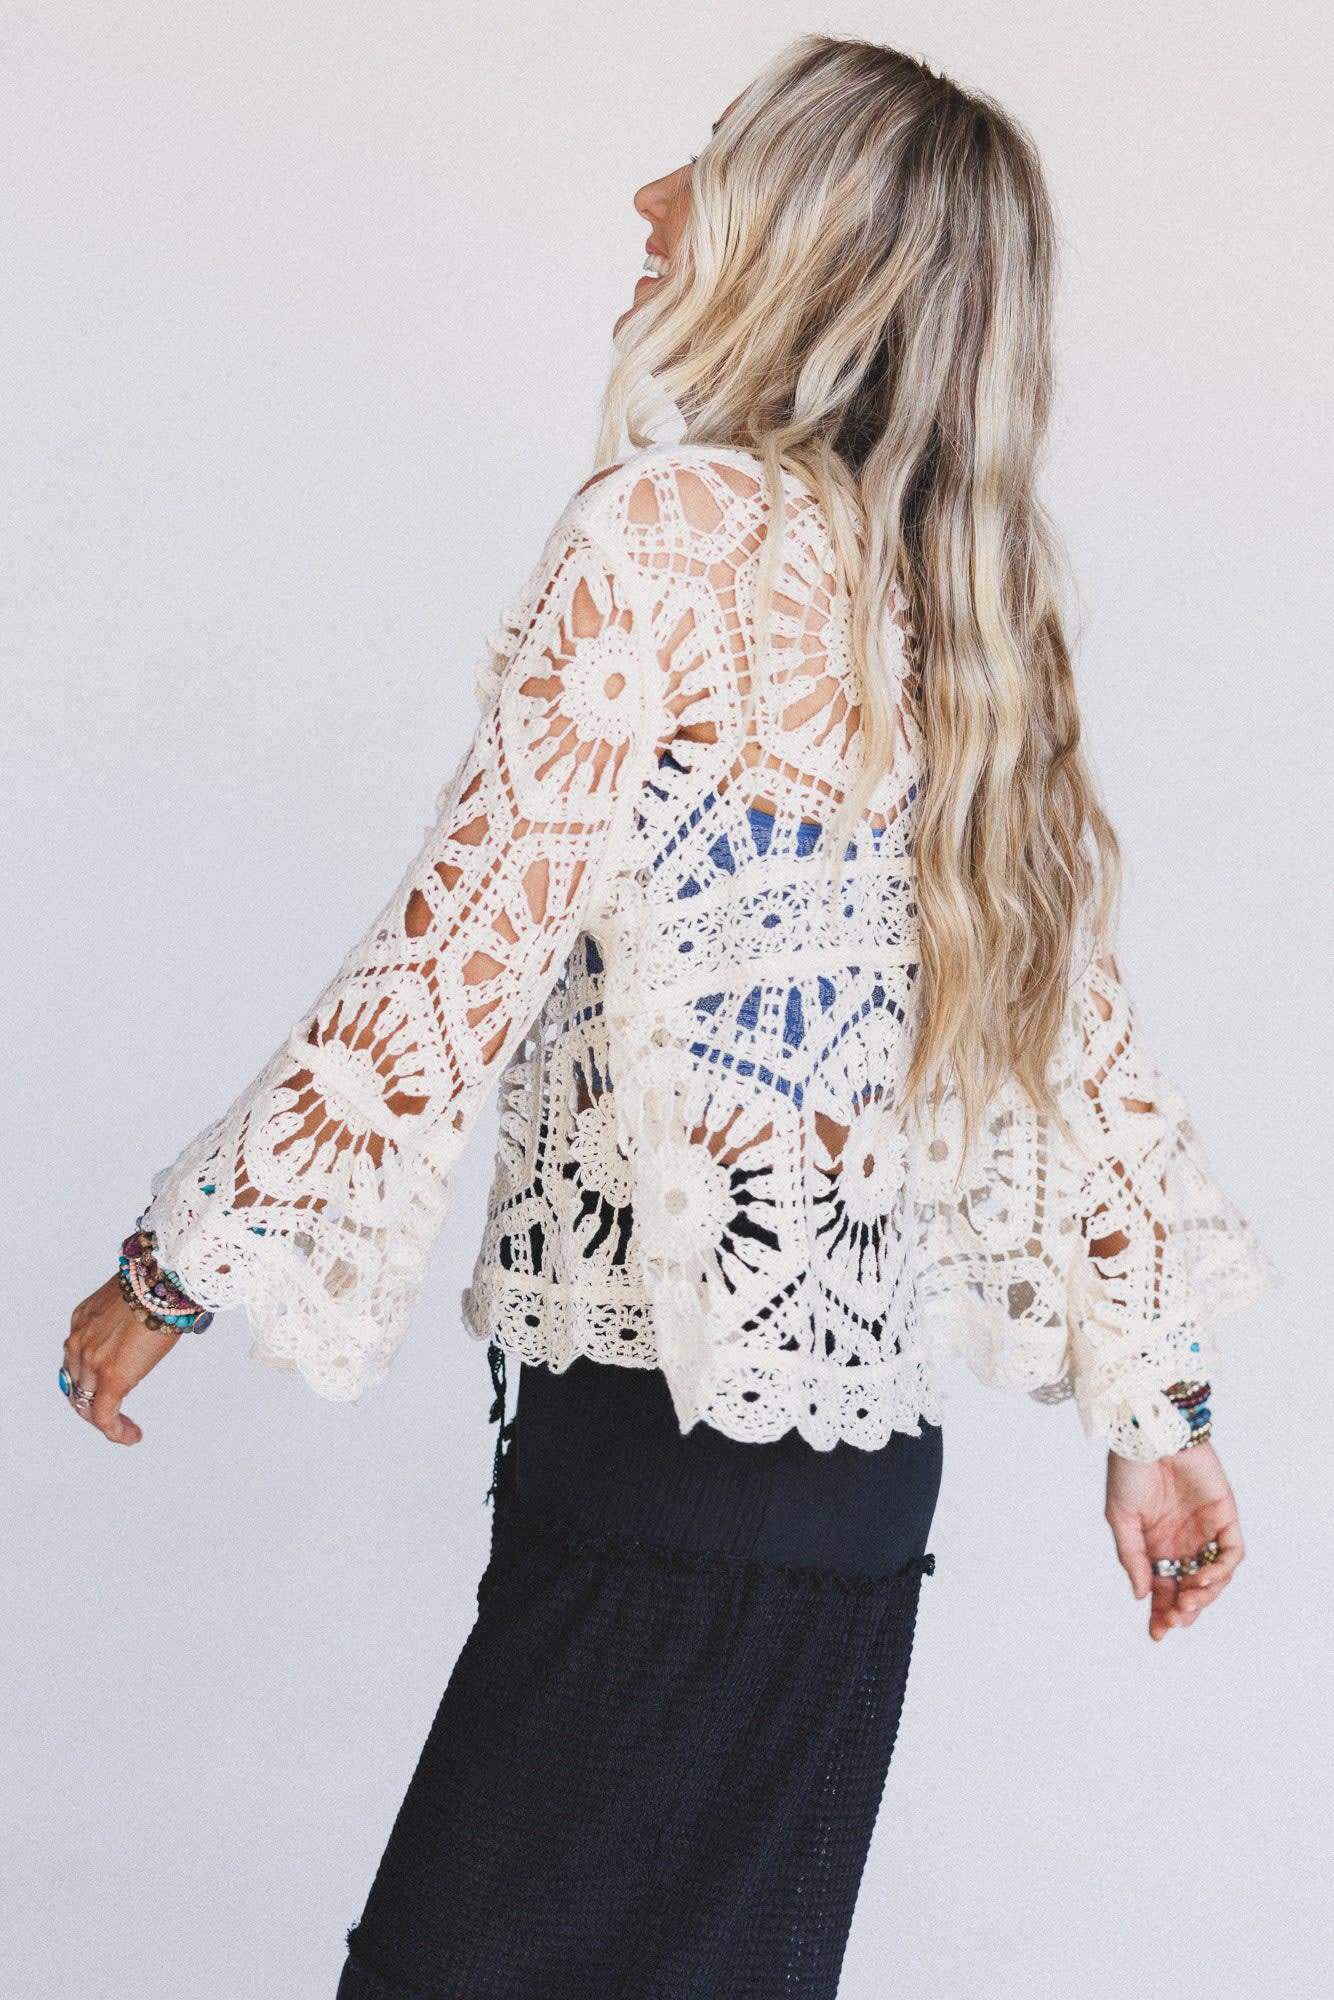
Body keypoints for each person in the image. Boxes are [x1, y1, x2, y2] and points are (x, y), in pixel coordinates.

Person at [61, 34, 1280, 2000]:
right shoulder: (963, 598)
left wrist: (183, 1264)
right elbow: (1073, 1041)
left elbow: (454, 954)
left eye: (707, 164)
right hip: (846, 1500)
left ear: (805, 241)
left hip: (660, 1465)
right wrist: (1164, 1417)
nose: (651, 200)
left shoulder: (666, 538)